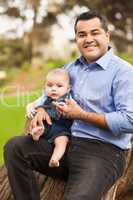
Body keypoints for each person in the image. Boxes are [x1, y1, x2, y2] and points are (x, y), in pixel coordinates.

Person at [4, 10, 133, 200]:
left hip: (103, 153)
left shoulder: (123, 72)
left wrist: (81, 115)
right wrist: (40, 109)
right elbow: (48, 95)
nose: (88, 39)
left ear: (107, 35)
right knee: (15, 148)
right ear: (76, 39)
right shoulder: (70, 68)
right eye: (82, 35)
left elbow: (129, 120)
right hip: (65, 145)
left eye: (94, 32)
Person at [29, 68, 72, 167]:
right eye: (49, 85)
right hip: (44, 126)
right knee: (35, 126)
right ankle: (35, 135)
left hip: (60, 130)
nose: (53, 89)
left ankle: (54, 159)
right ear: (45, 87)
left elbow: (69, 111)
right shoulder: (45, 98)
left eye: (59, 86)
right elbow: (34, 105)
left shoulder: (68, 99)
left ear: (68, 88)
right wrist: (31, 107)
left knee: (62, 141)